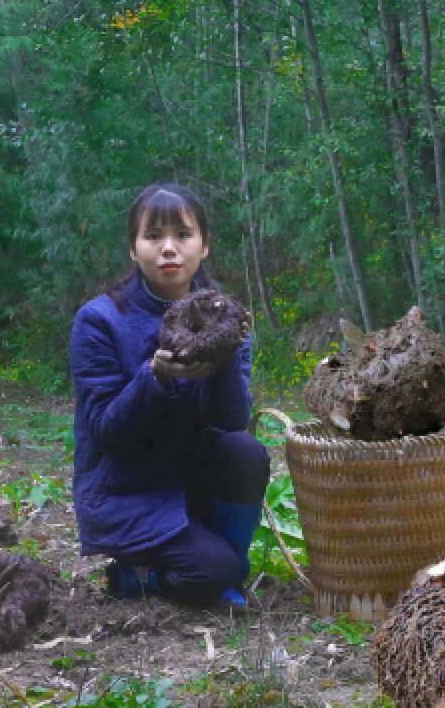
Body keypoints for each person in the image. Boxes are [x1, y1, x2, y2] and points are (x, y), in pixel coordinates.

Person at [69, 183, 270, 606]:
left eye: (182, 235)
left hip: (189, 482)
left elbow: (229, 423)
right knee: (207, 570)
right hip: (128, 492)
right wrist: (154, 377)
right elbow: (107, 432)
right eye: (153, 236)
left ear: (205, 245)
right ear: (133, 248)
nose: (169, 249)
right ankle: (137, 575)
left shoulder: (227, 319)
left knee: (246, 450)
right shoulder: (98, 321)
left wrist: (226, 356)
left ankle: (225, 571)